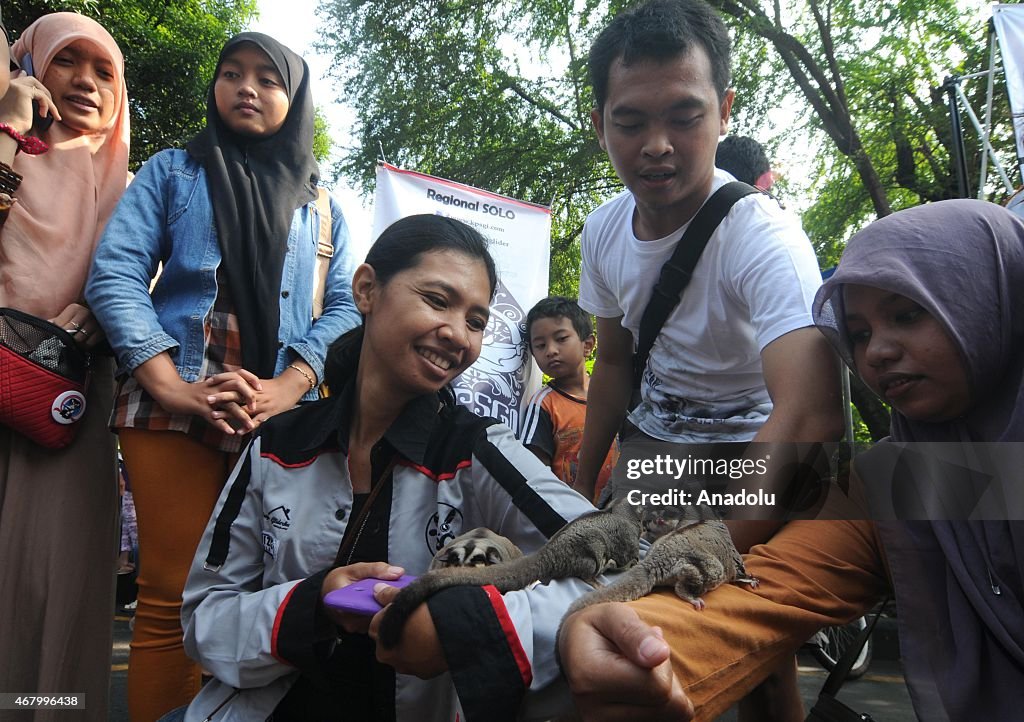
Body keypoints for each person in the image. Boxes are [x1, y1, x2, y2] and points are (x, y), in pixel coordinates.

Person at [558, 198, 1024, 721]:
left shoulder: (759, 234)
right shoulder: (902, 478)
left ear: (993, 299)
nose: (878, 352)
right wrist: (632, 633)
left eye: (908, 314)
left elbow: (807, 417)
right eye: (860, 333)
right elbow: (767, 593)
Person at [175, 214, 599, 721]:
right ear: (367, 290)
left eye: (477, 321)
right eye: (438, 301)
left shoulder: (476, 449)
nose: (457, 335)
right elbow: (205, 621)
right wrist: (316, 604)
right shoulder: (277, 444)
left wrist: (461, 627)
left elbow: (614, 561)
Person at [85, 33, 360, 720]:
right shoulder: (172, 172)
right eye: (232, 74)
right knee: (168, 599)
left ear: (293, 100)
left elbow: (352, 305)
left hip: (280, 416)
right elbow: (114, 272)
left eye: (268, 79)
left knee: (266, 593)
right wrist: (173, 386)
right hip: (171, 404)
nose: (246, 87)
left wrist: (289, 386)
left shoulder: (323, 205)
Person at [572, 0, 841, 550]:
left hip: (763, 447)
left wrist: (721, 546)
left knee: (724, 609)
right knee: (616, 594)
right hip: (655, 451)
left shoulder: (765, 237)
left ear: (723, 111)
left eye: (684, 118)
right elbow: (615, 363)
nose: (657, 145)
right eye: (630, 122)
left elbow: (810, 412)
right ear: (600, 126)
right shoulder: (602, 232)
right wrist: (578, 491)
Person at [0, 12, 130, 721]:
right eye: (65, 62)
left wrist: (109, 312)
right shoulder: (8, 143)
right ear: (31, 67)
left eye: (102, 70)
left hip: (68, 414)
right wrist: (8, 124)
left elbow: (150, 297)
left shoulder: (136, 192)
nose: (84, 81)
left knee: (51, 590)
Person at [519, 296, 618, 501]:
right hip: (571, 516)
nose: (551, 351)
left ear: (588, 344)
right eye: (540, 345)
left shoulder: (611, 396)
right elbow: (535, 471)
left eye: (561, 338)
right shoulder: (543, 404)